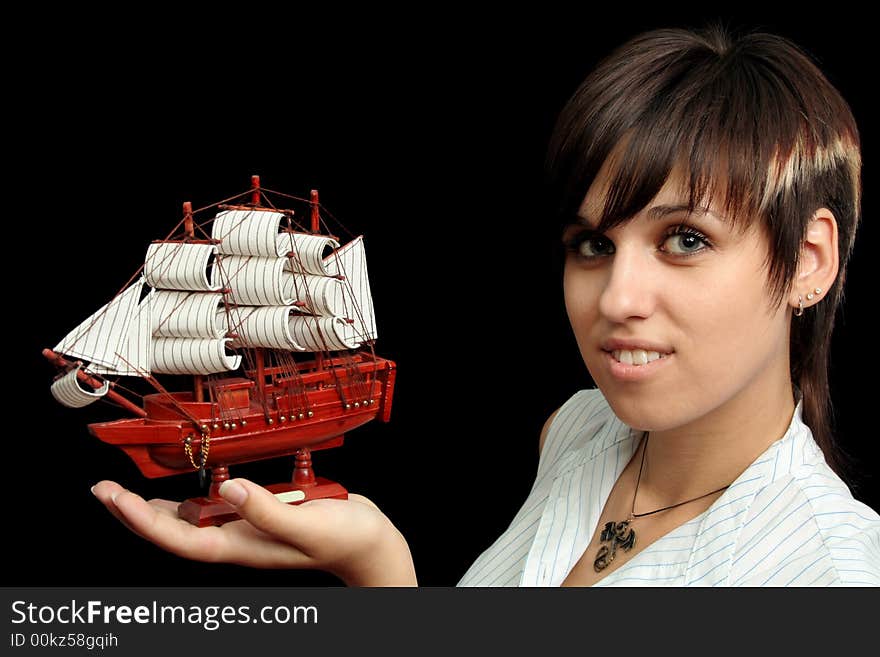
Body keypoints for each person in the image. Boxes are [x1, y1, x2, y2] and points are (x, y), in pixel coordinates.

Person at [93, 23, 880, 586]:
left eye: (685, 240)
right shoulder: (575, 433)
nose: (617, 298)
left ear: (808, 262)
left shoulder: (836, 575)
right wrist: (377, 566)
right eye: (593, 245)